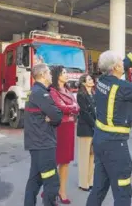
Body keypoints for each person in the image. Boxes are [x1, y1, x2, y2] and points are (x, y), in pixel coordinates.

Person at [86, 33, 132, 206]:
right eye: (120, 62)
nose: (122, 63)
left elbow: (126, 62)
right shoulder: (121, 87)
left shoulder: (102, 79)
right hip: (115, 145)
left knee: (98, 189)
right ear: (116, 67)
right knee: (123, 193)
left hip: (100, 141)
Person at [24, 63, 63, 206]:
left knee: (35, 180)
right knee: (52, 182)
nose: (51, 76)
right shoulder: (41, 93)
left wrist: (51, 117)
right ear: (42, 75)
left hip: (36, 143)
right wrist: (52, 118)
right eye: (49, 73)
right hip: (43, 143)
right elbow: (57, 115)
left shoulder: (35, 91)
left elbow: (52, 115)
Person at [45, 65, 80, 204]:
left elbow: (77, 107)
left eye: (66, 72)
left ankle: (62, 190)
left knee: (65, 162)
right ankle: (49, 190)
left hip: (70, 126)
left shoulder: (68, 90)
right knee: (55, 161)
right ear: (56, 75)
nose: (66, 74)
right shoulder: (53, 91)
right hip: (59, 127)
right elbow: (61, 107)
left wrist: (71, 108)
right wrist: (72, 108)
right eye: (63, 72)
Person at [76, 74, 96, 191]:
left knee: (92, 156)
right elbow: (84, 113)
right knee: (84, 157)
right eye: (89, 79)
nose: (91, 80)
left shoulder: (93, 94)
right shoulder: (81, 95)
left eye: (91, 79)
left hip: (94, 128)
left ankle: (90, 181)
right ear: (84, 83)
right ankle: (83, 183)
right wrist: (95, 124)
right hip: (85, 129)